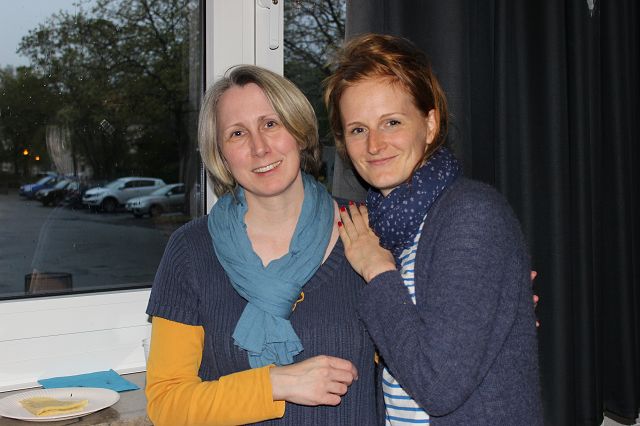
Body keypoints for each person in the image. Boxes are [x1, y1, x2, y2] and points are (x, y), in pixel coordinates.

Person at [325, 33, 543, 425]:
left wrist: (377, 271)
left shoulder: (471, 213)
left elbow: (438, 385)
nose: (374, 145)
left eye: (392, 122)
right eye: (358, 129)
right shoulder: (383, 227)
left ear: (429, 124)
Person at [145, 65, 378, 425]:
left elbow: (416, 368)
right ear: (221, 154)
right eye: (237, 133)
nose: (259, 147)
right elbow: (166, 404)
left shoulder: (367, 231)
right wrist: (274, 384)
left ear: (299, 132)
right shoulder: (190, 250)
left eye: (271, 124)